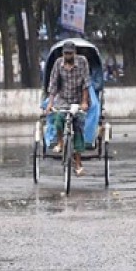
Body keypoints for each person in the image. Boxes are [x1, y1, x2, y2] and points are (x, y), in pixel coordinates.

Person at [46, 41, 90, 175]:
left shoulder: (82, 62)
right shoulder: (58, 64)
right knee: (59, 120)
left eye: (70, 53)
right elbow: (53, 84)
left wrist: (84, 102)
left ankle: (78, 163)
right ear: (63, 54)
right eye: (66, 53)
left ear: (74, 53)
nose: (68, 56)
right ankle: (60, 143)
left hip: (78, 100)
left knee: (77, 127)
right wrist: (50, 103)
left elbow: (86, 83)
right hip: (63, 99)